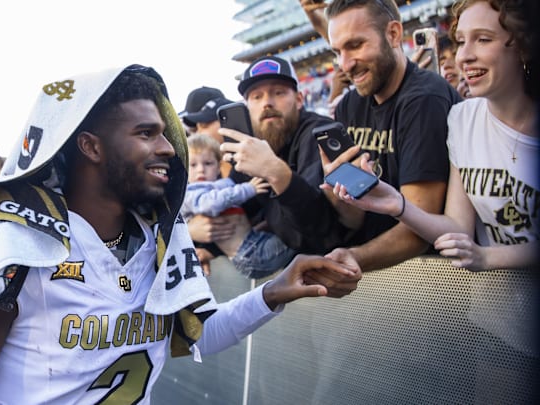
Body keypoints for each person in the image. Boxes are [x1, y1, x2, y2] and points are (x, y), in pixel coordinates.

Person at [0, 65, 361, 404]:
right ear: (91, 146)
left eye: (165, 134)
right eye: (146, 134)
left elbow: (194, 335)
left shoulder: (158, 238)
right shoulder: (15, 239)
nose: (168, 147)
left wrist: (275, 292)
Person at [327, 0, 538, 271]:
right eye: (460, 42)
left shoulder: (428, 98)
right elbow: (456, 227)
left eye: (483, 39)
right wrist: (398, 205)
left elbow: (468, 247)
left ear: (524, 44)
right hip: (493, 302)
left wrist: (488, 257)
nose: (463, 56)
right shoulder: (463, 119)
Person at [312, 0, 462, 272]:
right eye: (337, 51)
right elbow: (356, 219)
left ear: (393, 34)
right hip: (384, 275)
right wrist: (339, 192)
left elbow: (419, 228)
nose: (344, 65)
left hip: (435, 277)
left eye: (355, 45)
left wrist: (355, 258)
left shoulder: (425, 99)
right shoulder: (350, 105)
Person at [217, 55, 351, 256]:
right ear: (247, 108)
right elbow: (240, 205)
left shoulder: (319, 133)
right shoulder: (253, 144)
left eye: (278, 93)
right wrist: (205, 242)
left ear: (298, 100)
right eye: (256, 97)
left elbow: (320, 232)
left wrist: (276, 173)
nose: (267, 103)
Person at [182, 133, 295, 278]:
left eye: (208, 163)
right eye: (193, 165)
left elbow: (230, 186)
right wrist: (249, 189)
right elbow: (210, 203)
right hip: (250, 255)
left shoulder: (219, 185)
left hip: (254, 240)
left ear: (218, 167)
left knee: (296, 235)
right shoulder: (190, 193)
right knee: (299, 235)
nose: (200, 169)